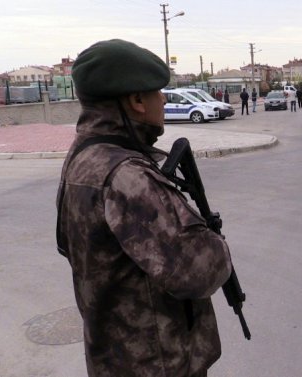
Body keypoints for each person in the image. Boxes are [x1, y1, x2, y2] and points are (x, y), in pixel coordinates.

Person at [56, 39, 233, 377]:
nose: (164, 99)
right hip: (157, 363)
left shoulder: (83, 158)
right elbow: (200, 270)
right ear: (136, 100)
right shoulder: (128, 176)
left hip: (113, 356)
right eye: (157, 92)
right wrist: (216, 244)